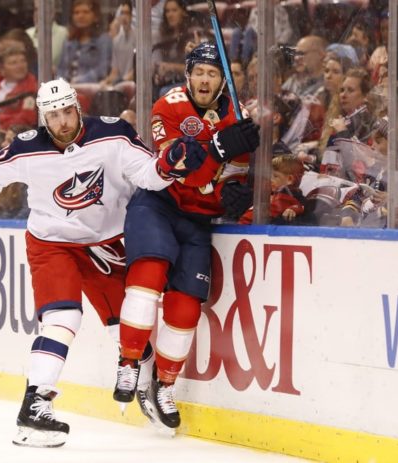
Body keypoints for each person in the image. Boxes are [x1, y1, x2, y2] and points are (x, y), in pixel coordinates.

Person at [0, 78, 206, 447]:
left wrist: (169, 163)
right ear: (43, 119)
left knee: (125, 329)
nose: (62, 121)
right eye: (53, 115)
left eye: (66, 111)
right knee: (63, 318)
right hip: (53, 243)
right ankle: (36, 403)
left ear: (78, 106)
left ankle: (146, 387)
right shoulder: (26, 149)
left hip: (108, 243)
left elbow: (147, 175)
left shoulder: (114, 134)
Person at [112, 42, 260, 431]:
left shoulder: (236, 116)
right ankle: (128, 364)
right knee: (146, 282)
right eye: (199, 72)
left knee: (186, 307)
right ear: (188, 75)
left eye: (213, 73)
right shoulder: (168, 106)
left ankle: (164, 385)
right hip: (158, 206)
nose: (205, 79)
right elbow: (183, 169)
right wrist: (219, 148)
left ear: (222, 80)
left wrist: (235, 192)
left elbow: (231, 175)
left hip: (197, 220)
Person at [0, 44, 38, 131]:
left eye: (23, 61)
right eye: (13, 63)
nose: (20, 66)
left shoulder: (31, 88)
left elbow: (25, 123)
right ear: (2, 70)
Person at [239, 154, 306, 225]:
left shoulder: (285, 198)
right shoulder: (274, 195)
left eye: (275, 176)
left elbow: (300, 206)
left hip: (247, 228)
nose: (270, 179)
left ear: (289, 179)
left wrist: (293, 209)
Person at [57, 0, 112, 84]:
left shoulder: (104, 40)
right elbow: (61, 69)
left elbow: (102, 69)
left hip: (91, 89)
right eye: (76, 12)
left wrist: (79, 81)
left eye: (86, 12)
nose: (80, 16)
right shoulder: (68, 41)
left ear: (95, 16)